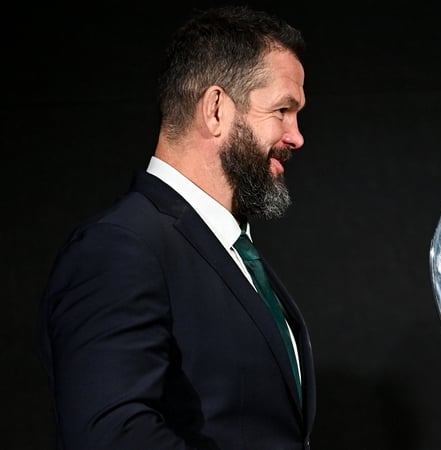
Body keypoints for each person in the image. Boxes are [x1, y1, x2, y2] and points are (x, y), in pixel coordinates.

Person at [37, 5, 315, 449]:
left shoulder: (228, 248)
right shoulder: (119, 248)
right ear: (216, 109)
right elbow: (111, 437)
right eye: (283, 109)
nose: (296, 135)